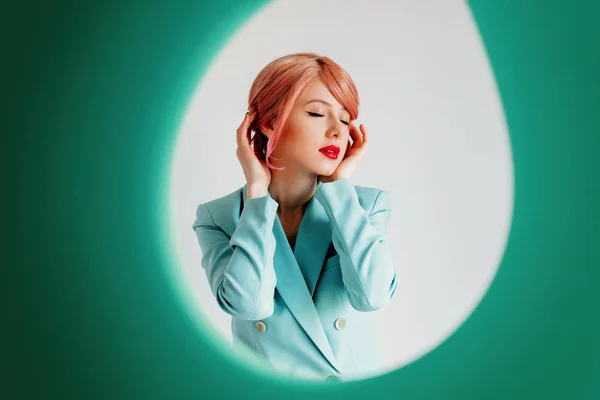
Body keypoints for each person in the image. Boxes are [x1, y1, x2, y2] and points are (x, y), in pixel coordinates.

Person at [192, 52, 398, 381]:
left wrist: (339, 188)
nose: (337, 132)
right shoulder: (218, 217)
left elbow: (371, 296)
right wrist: (256, 192)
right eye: (317, 113)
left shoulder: (367, 205)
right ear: (269, 122)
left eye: (345, 120)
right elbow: (249, 305)